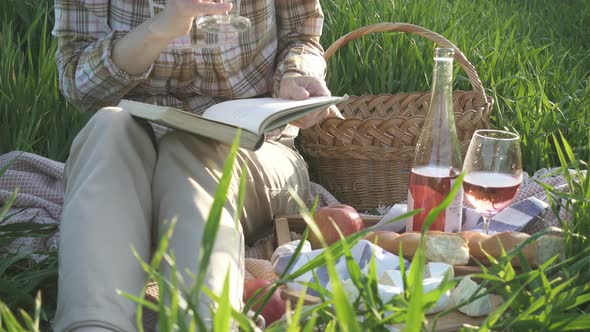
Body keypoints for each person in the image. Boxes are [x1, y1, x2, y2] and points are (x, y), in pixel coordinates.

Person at [51, 0, 342, 330]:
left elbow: (300, 34)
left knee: (188, 149)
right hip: (137, 152)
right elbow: (78, 86)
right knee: (107, 127)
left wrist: (296, 75)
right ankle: (94, 323)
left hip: (254, 152)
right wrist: (160, 28)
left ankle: (205, 321)